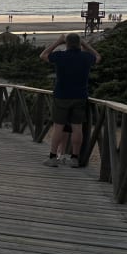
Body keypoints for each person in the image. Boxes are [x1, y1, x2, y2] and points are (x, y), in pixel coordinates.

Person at [39, 33, 100, 167]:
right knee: (77, 127)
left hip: (61, 95)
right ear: (79, 44)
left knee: (58, 127)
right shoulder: (86, 57)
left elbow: (43, 55)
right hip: (80, 96)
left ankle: (53, 157)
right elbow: (98, 57)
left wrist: (57, 42)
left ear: (66, 44)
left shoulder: (60, 56)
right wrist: (85, 44)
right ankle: (74, 158)